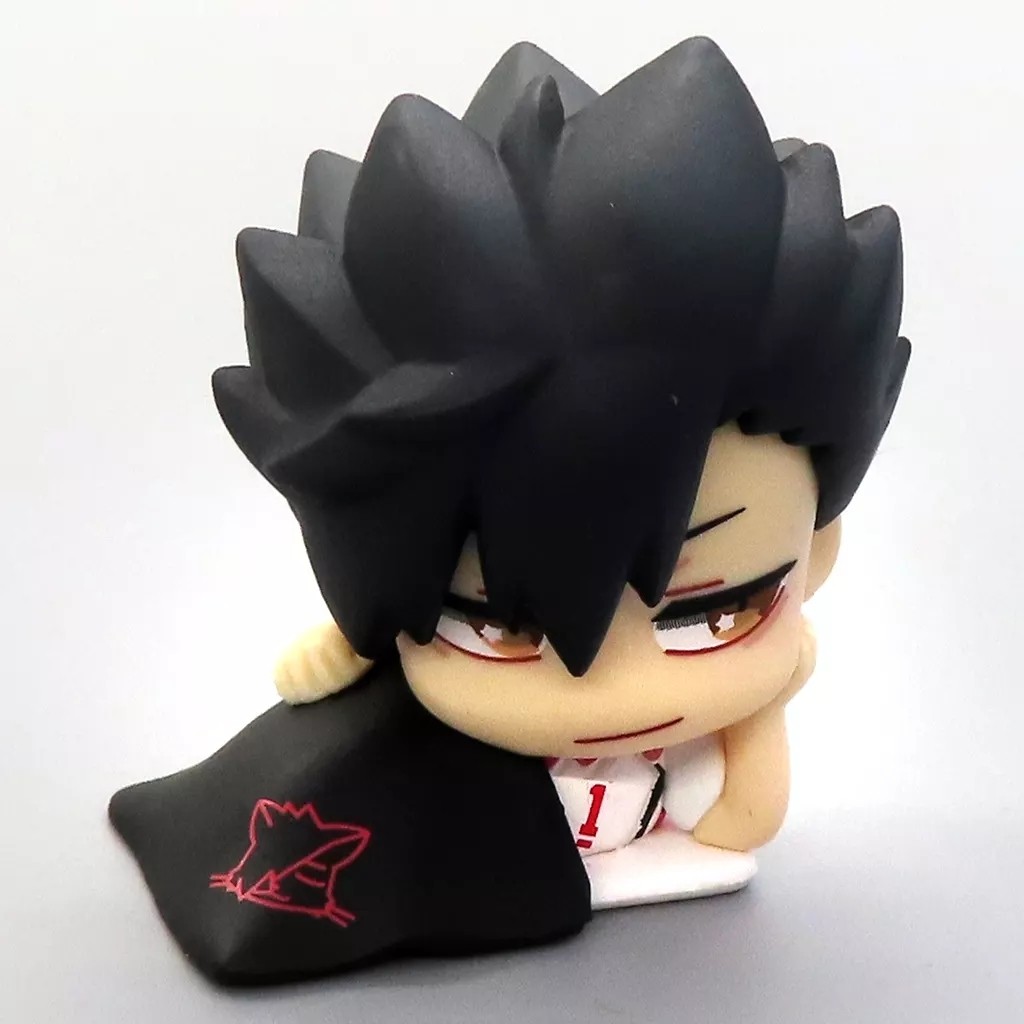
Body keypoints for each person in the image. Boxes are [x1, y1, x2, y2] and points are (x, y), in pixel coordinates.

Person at [110, 36, 909, 983]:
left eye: (717, 612)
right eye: (500, 629)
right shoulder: (429, 753)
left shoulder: (703, 749)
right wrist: (350, 645)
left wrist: (761, 710)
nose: (622, 694)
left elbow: (747, 818)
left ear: (818, 553)